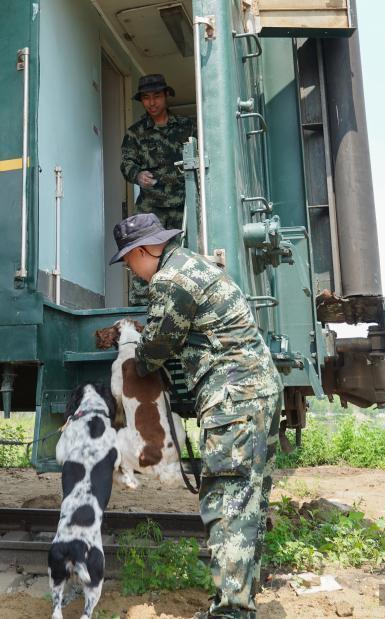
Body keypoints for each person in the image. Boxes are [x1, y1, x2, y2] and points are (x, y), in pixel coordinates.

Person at [109, 213, 282, 619]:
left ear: (143, 251)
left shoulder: (171, 281)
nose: (131, 270)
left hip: (234, 395)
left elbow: (154, 350)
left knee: (228, 499)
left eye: (129, 260)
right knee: (248, 500)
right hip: (257, 390)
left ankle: (232, 612)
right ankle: (240, 602)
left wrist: (134, 362)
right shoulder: (195, 263)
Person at [120, 74, 196, 305]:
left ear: (166, 96)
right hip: (151, 206)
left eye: (156, 96)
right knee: (144, 253)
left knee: (183, 253)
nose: (151, 103)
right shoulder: (135, 132)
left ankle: (183, 303)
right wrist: (137, 175)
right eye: (146, 98)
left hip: (183, 203)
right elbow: (126, 163)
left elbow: (202, 155)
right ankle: (142, 306)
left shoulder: (186, 126)